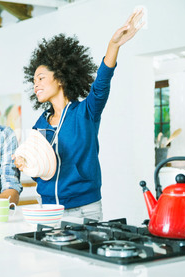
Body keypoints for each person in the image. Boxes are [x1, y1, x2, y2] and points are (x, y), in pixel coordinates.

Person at [15, 10, 144, 221]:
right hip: (48, 210)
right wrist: (24, 161)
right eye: (34, 80)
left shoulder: (86, 113)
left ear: (60, 78)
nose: (35, 84)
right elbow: (42, 167)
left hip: (85, 209)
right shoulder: (40, 124)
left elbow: (101, 85)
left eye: (41, 78)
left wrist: (114, 45)